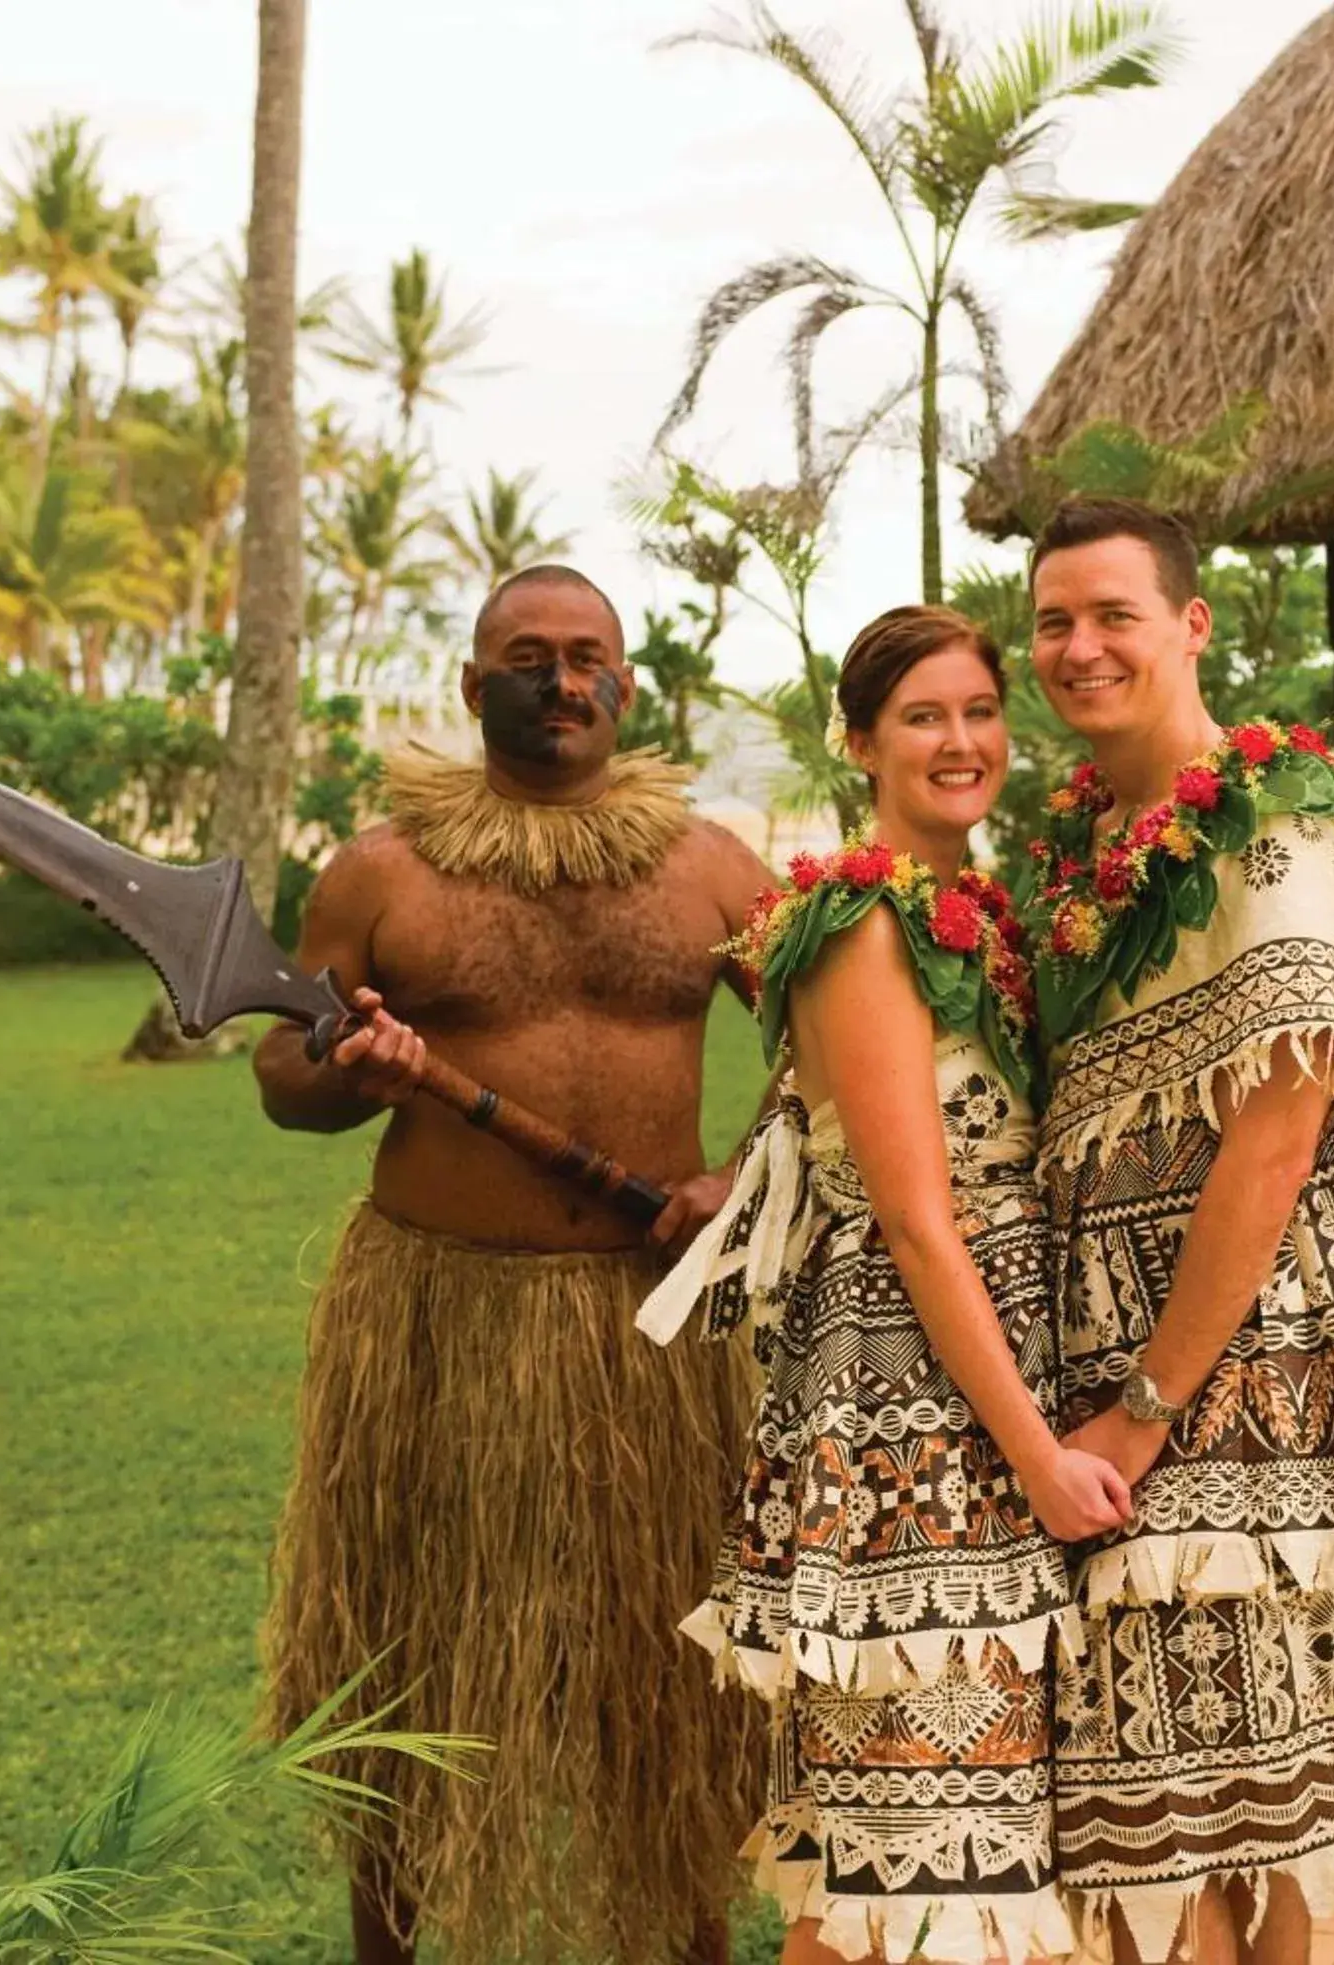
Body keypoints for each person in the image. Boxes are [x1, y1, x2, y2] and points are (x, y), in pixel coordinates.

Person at [1023, 498, 1334, 1965]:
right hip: (1116, 1361)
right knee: (1153, 1820)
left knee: (1229, 1827)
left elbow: (1278, 1132)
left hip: (1244, 1379)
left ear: (1191, 626)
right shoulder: (1088, 852)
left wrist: (1144, 1408)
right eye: (1055, 619)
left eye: (1114, 613)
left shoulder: (1280, 832)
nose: (1080, 645)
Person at [253, 564, 772, 1965]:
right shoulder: (382, 871)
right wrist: (344, 1069)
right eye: (526, 655)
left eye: (586, 653)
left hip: (652, 1328)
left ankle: (681, 1944)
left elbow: (837, 1042)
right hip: (435, 1317)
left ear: (625, 683)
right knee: (405, 1655)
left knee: (661, 1676)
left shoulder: (713, 865)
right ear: (474, 683)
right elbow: (282, 1082)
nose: (560, 677)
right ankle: (389, 1948)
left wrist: (740, 1173)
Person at [638, 604, 1133, 1965]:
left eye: (980, 711)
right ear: (858, 742)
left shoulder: (986, 918)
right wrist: (1035, 1453)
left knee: (935, 1855)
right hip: (907, 1410)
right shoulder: (862, 924)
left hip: (986, 1388)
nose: (961, 739)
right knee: (909, 1857)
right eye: (924, 716)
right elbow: (916, 1224)